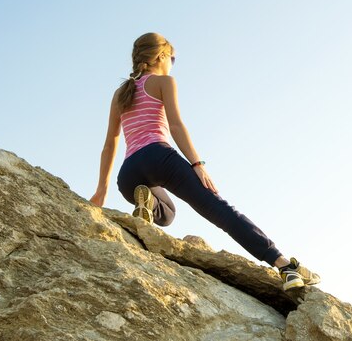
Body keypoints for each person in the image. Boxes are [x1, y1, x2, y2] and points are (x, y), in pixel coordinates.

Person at [89, 32, 320, 291]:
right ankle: (284, 265)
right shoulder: (164, 81)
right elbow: (176, 125)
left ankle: (148, 201)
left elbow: (110, 143)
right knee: (220, 210)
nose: (172, 64)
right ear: (162, 55)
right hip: (158, 155)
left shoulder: (120, 93)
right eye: (172, 58)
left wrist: (102, 190)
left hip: (129, 173)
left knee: (166, 214)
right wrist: (197, 164)